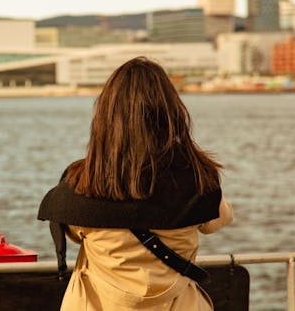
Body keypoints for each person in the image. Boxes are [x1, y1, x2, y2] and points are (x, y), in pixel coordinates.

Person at [38, 56, 233, 310]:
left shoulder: (84, 180)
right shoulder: (196, 177)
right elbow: (217, 220)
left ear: (106, 118)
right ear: (171, 114)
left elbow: (73, 233)